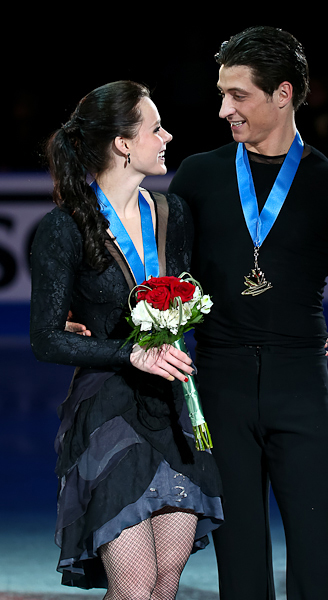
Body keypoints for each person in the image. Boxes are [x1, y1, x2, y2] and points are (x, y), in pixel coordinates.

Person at [167, 26, 328, 600]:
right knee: (241, 575)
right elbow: (158, 275)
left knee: (320, 572)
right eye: (222, 94)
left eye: (238, 95)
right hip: (220, 387)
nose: (223, 109)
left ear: (282, 93)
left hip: (301, 389)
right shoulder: (198, 175)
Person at [30, 80, 223, 599]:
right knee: (135, 586)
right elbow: (46, 339)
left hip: (175, 407)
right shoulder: (64, 228)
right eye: (155, 127)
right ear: (122, 143)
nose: (167, 135)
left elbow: (190, 301)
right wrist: (129, 352)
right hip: (109, 412)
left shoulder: (171, 213)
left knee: (164, 583)